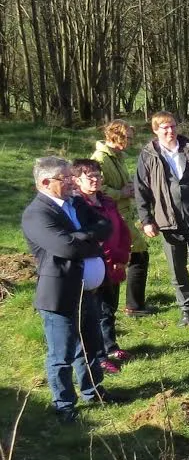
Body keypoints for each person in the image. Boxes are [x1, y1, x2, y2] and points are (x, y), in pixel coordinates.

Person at [22, 157, 121, 423]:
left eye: (71, 177)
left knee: (90, 346)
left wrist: (81, 238)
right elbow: (65, 248)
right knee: (62, 353)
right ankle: (64, 405)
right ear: (45, 182)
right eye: (64, 178)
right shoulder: (37, 214)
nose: (71, 182)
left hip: (86, 291)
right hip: (59, 293)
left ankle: (93, 391)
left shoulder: (75, 202)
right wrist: (89, 238)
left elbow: (106, 226)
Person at [134, 111, 189, 326]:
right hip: (168, 221)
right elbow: (141, 189)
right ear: (155, 130)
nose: (170, 131)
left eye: (173, 126)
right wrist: (146, 220)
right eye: (165, 127)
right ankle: (186, 309)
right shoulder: (148, 155)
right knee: (177, 268)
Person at [74, 159, 132, 375]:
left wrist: (122, 257)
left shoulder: (107, 201)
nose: (95, 180)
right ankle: (98, 356)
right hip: (95, 266)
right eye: (90, 176)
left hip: (115, 264)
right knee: (95, 312)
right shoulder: (78, 206)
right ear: (77, 180)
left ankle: (111, 347)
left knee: (109, 309)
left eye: (98, 176)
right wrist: (108, 258)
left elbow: (122, 230)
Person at [92, 120, 151, 316]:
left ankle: (134, 303)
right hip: (113, 214)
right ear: (116, 136)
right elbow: (97, 188)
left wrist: (130, 187)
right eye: (129, 138)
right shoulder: (100, 158)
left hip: (124, 212)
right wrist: (121, 193)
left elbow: (120, 181)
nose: (131, 142)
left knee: (138, 251)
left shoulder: (118, 156)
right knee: (138, 252)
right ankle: (133, 305)